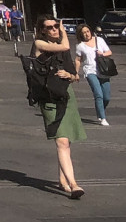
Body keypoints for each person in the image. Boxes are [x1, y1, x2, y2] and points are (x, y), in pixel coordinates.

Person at [32, 15, 85, 197]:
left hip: (66, 95)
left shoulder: (64, 52)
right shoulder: (39, 44)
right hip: (48, 98)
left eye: (56, 26)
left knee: (66, 141)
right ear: (43, 31)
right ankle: (74, 184)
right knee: (61, 141)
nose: (54, 29)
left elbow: (75, 76)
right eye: (50, 27)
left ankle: (63, 180)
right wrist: (64, 32)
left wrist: (69, 76)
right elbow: (64, 45)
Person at [74, 24, 113, 126]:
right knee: (98, 94)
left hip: (103, 70)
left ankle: (100, 110)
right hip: (90, 71)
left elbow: (109, 52)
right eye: (83, 33)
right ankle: (103, 118)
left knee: (107, 97)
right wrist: (76, 73)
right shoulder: (80, 46)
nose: (86, 34)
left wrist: (102, 54)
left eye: (87, 31)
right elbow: (78, 60)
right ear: (81, 35)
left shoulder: (99, 40)